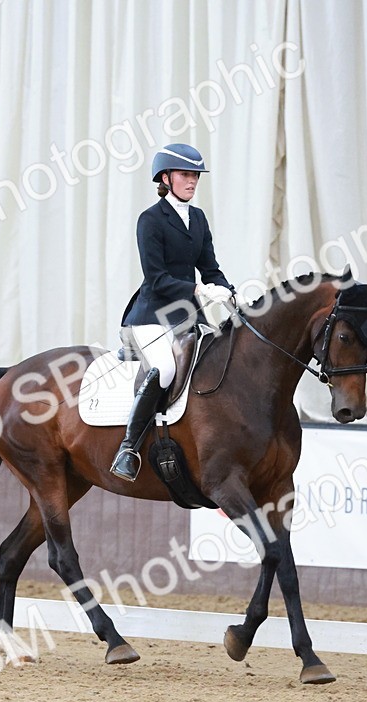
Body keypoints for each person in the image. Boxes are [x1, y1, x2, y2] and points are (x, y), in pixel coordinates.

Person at [110, 143, 236, 482]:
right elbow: (157, 277)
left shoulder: (198, 218)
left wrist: (227, 290)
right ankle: (128, 448)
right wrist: (197, 289)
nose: (192, 181)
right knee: (164, 369)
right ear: (166, 178)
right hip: (151, 316)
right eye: (185, 175)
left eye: (195, 175)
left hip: (187, 317)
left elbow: (210, 268)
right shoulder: (150, 220)